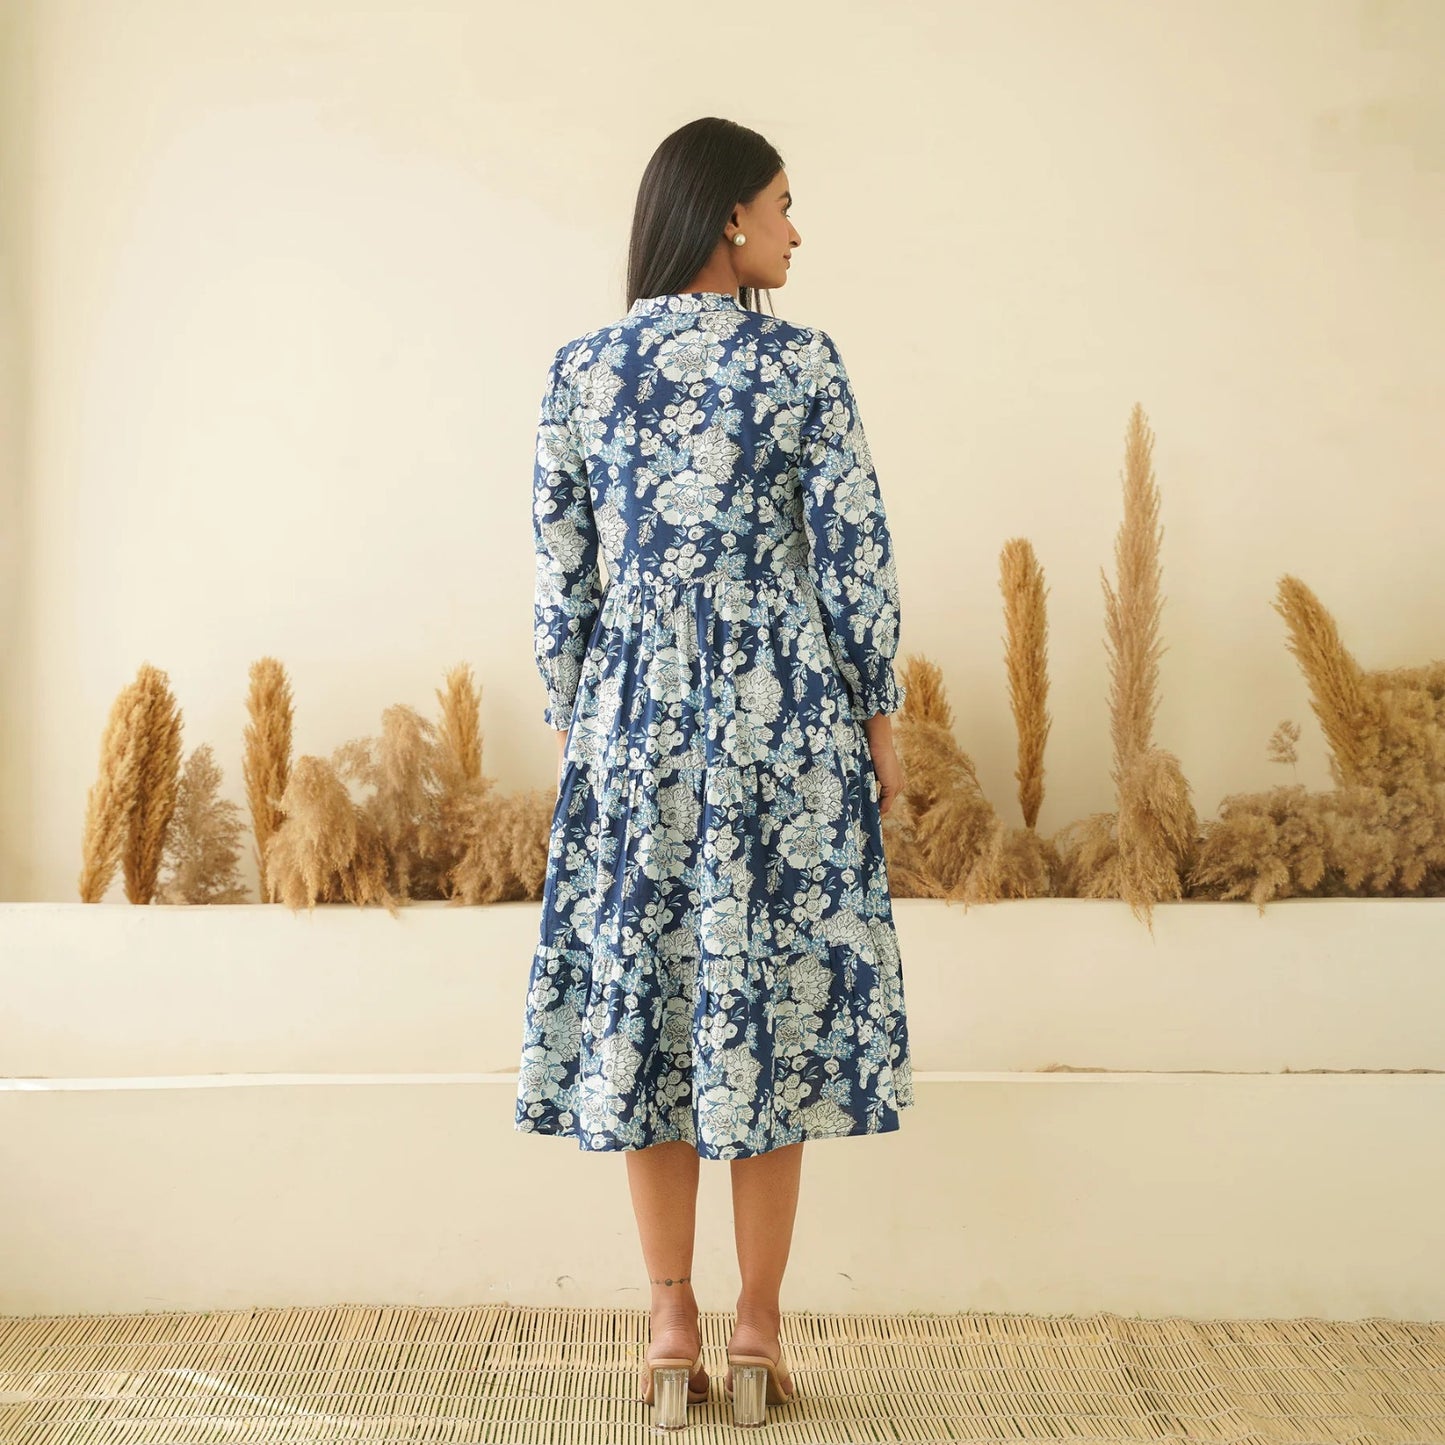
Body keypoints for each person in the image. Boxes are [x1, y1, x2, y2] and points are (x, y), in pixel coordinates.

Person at [514, 116, 913, 1427]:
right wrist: (879, 719)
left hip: (633, 727)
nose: (797, 230)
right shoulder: (800, 364)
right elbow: (851, 551)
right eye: (783, 204)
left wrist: (581, 728)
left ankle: (668, 1326)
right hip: (779, 718)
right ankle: (756, 1332)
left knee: (651, 1011)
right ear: (729, 216)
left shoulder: (582, 369)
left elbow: (561, 577)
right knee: (769, 1011)